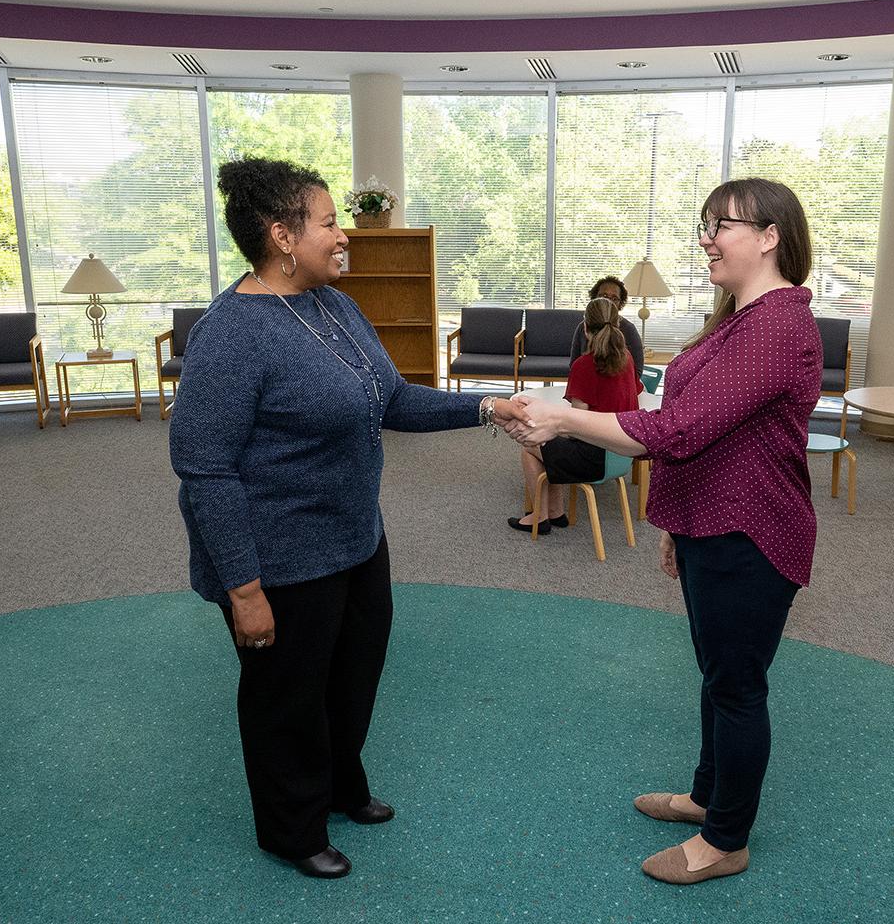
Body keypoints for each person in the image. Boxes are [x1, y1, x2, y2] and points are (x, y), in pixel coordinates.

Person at [169, 157, 526, 880]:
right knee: (286, 697)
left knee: (353, 675)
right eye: (329, 222)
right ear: (281, 236)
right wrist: (243, 589)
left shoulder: (335, 304)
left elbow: (391, 400)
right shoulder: (231, 334)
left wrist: (488, 407)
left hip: (356, 538)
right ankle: (291, 830)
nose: (342, 236)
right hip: (279, 557)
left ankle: (338, 787)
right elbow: (205, 470)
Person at [506, 177, 821, 885]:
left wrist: (560, 416)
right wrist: (677, 522)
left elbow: (676, 430)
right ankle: (707, 798)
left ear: (770, 237)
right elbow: (710, 436)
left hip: (753, 533)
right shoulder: (740, 319)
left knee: (737, 687)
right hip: (715, 523)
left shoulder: (776, 323)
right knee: (717, 678)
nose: (707, 238)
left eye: (724, 226)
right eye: (704, 225)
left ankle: (726, 840)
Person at [510, 296, 642, 533]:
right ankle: (556, 512)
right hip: (622, 453)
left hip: (594, 457)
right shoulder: (627, 359)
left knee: (531, 444)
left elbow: (576, 423)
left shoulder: (584, 366)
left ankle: (540, 517)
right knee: (552, 443)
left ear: (585, 328)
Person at [568, 275, 645, 376]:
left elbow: (637, 371)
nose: (608, 301)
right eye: (604, 296)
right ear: (594, 298)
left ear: (620, 304)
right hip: (587, 385)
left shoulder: (628, 329)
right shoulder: (583, 327)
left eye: (614, 298)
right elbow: (574, 365)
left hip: (621, 389)